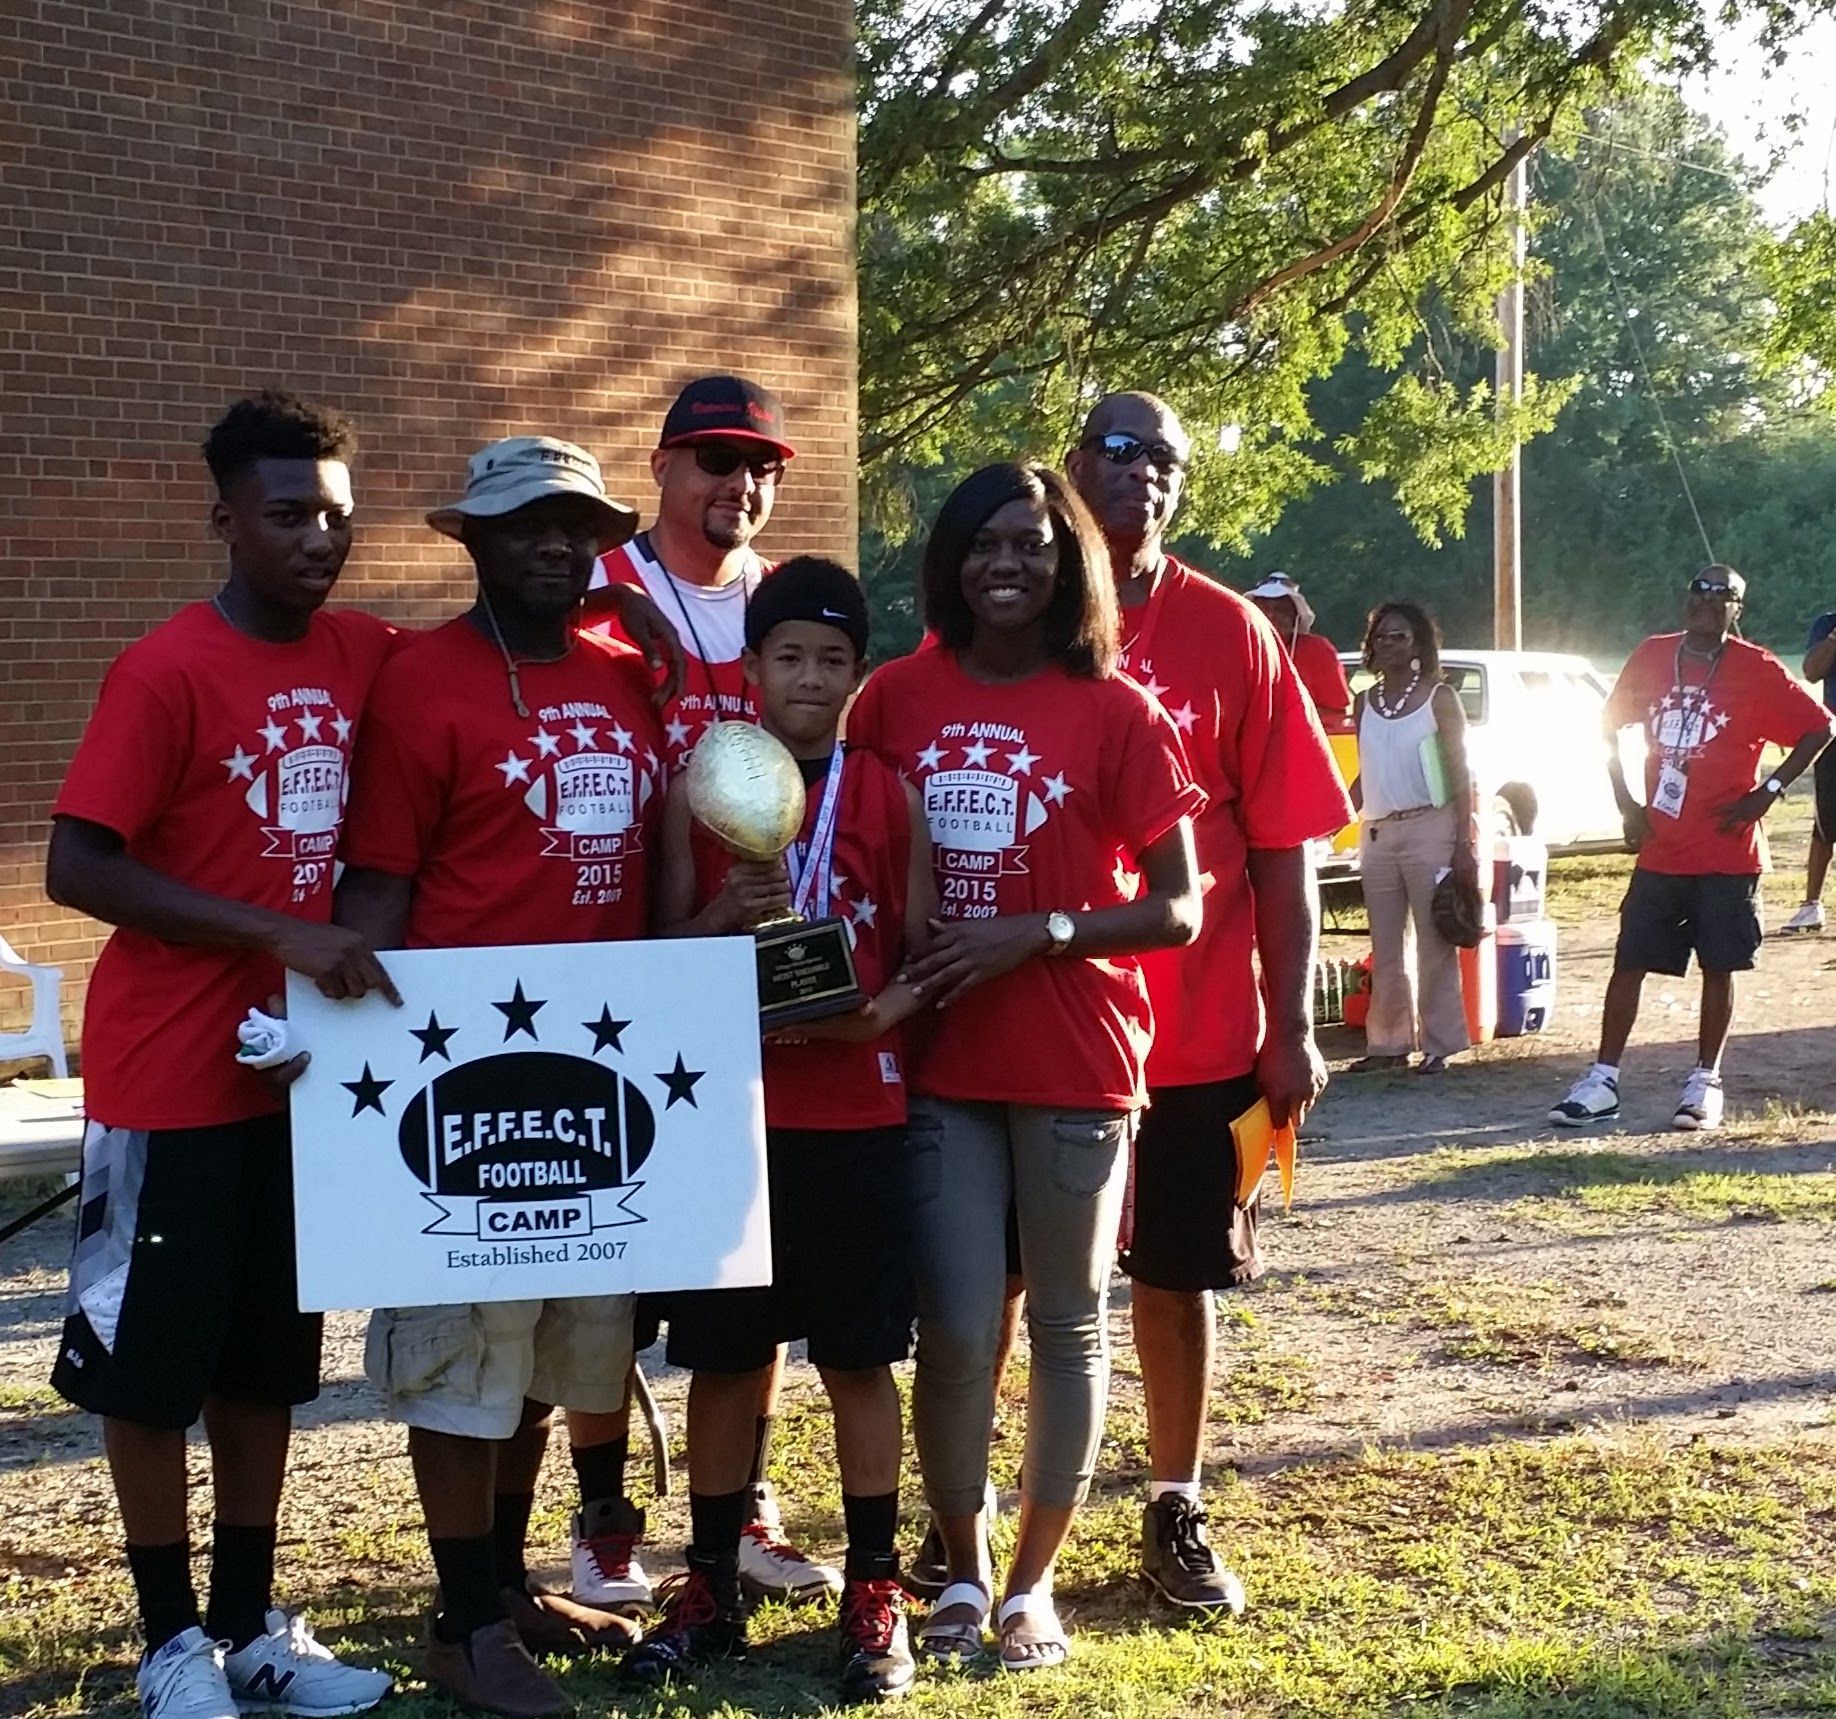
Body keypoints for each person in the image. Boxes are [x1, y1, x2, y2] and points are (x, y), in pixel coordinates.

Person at [44, 393, 400, 1719]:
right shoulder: (165, 668)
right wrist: (280, 934)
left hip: (295, 1089)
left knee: (265, 1367)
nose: (320, 537)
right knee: (152, 1370)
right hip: (163, 1079)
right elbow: (76, 863)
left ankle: (252, 1628)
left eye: (336, 515)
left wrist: (634, 617)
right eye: (291, 512)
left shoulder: (366, 653)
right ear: (227, 518)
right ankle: (167, 1638)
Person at [847, 462, 1205, 1672]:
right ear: (950, 561)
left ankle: (1030, 1590)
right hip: (942, 1058)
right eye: (986, 544)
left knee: (1064, 1327)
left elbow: (1180, 908)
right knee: (951, 1332)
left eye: (1036, 546)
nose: (1010, 565)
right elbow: (851, 858)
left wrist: (1040, 930)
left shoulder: (1117, 709)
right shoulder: (893, 698)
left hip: (1076, 1057)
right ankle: (958, 1570)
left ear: (1071, 567)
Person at [334, 438, 667, 1717]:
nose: (556, 545)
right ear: (471, 540)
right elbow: (377, 882)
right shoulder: (423, 681)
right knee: (461, 1359)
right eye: (526, 522)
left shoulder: (627, 678)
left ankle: (507, 1587)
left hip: (602, 1077)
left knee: (549, 1363)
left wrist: (674, 654)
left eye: (578, 525)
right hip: (459, 1079)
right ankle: (465, 1622)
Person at [625, 557, 933, 1702]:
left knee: (858, 1359)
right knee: (724, 1360)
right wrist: (717, 917)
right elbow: (657, 948)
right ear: (749, 667)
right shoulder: (695, 787)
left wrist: (880, 1017)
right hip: (727, 1118)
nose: (809, 678)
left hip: (856, 1114)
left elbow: (922, 947)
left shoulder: (885, 790)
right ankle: (706, 1580)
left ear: (861, 672)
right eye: (787, 656)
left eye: (833, 659)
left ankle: (873, 1586)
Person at [1065, 395, 1353, 1609]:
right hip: (1044, 1034)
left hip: (1196, 1034)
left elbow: (1286, 844)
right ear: (1075, 464)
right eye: (1123, 453)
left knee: (1173, 1279)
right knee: (1021, 1283)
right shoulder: (1013, 615)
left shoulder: (1233, 632)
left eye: (1169, 463)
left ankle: (1172, 1503)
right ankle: (978, 1512)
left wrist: (1289, 1028)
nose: (1147, 477)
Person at [586, 373, 841, 1604]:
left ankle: (740, 1508)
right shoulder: (604, 589)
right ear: (664, 468)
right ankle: (601, 1514)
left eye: (759, 467)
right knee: (610, 1263)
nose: (739, 485)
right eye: (714, 462)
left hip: (756, 954)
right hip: (617, 941)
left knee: (747, 1256)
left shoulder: (780, 604)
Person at [1551, 567, 1832, 1131]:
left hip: (1727, 849)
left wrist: (1767, 793)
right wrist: (1627, 802)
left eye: (1720, 595)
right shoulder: (1654, 655)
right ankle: (1603, 1078)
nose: (1705, 602)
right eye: (1697, 592)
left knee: (1718, 966)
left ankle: (1705, 1082)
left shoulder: (1755, 668)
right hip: (1662, 845)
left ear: (1738, 610)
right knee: (1629, 960)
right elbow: (1607, 726)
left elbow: (1820, 726)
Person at [1346, 602, 1477, 1074]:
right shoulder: (1365, 702)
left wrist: (1465, 839)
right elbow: (1368, 769)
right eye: (1381, 636)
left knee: (1433, 936)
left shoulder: (1438, 698)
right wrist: (1338, 809)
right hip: (1379, 830)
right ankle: (1388, 1044)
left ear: (1419, 644)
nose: (1388, 644)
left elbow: (1461, 772)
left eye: (1399, 636)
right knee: (1386, 943)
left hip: (1430, 825)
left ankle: (1440, 1043)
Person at [1781, 605, 1836, 933]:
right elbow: (1811, 672)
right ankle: (1811, 905)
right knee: (1825, 823)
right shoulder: (1827, 624)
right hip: (1835, 736)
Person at [1244, 570, 1354, 732]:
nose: (1271, 615)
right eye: (1264, 608)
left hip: (1304, 740)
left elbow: (1335, 712)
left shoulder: (1317, 650)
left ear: (1296, 618)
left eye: (1281, 610)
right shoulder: (1239, 649)